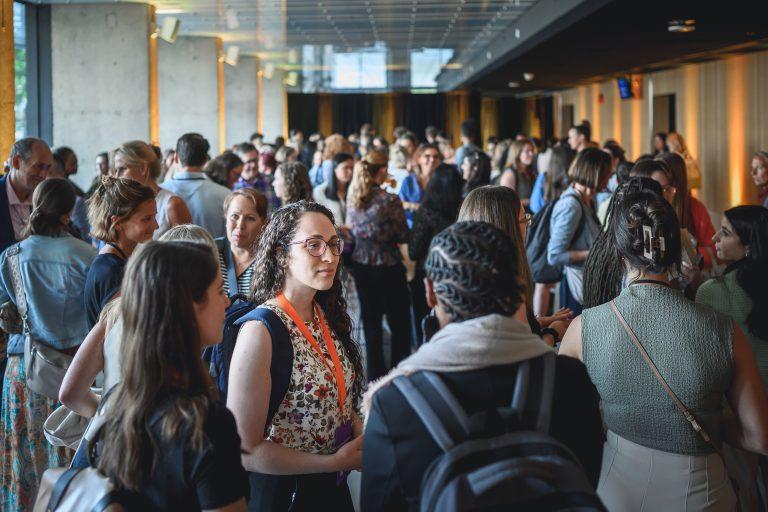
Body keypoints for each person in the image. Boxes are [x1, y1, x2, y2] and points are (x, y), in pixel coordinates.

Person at [361, 221, 604, 511]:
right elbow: (586, 480)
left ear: (430, 292)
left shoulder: (395, 404)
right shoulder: (570, 380)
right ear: (518, 288)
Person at [560, 188, 768, 511]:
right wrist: (708, 420)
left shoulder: (582, 329)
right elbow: (758, 437)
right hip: (703, 493)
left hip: (616, 490)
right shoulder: (725, 331)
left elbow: (565, 423)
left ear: (618, 252)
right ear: (678, 250)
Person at [227, 201, 364, 510]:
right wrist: (332, 462)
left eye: (333, 244)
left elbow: (333, 390)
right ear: (281, 254)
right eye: (313, 246)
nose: (329, 256)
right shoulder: (260, 330)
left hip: (332, 488)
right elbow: (246, 450)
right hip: (287, 495)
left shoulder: (323, 313)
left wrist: (356, 426)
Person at [94, 242, 248, 511]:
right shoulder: (206, 425)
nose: (227, 301)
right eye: (220, 291)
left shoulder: (115, 403)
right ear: (189, 307)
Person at [0, 179, 96, 511]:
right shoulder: (88, 255)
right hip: (76, 369)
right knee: (66, 455)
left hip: (24, 367)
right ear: (70, 211)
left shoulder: (12, 256)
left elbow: (7, 317)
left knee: (24, 456)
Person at [458, 185, 572, 346]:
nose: (528, 225)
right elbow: (523, 352)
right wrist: (554, 332)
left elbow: (501, 331)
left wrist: (538, 322)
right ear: (509, 227)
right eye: (525, 219)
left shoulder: (462, 273)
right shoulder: (505, 283)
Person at [347, 149, 410, 381]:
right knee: (399, 325)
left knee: (372, 326)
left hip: (363, 265)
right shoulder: (390, 200)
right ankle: (400, 374)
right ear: (382, 170)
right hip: (389, 265)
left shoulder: (354, 197)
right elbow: (403, 234)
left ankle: (374, 377)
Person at [697, 205, 768, 389]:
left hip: (740, 401)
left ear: (749, 246)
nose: (715, 237)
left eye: (725, 233)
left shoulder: (712, 291)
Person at [84, 176, 156, 328]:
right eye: (147, 219)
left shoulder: (118, 259)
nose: (156, 225)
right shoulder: (112, 272)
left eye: (154, 217)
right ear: (117, 223)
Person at [547, 147, 611, 314]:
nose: (610, 178)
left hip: (587, 283)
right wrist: (592, 253)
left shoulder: (588, 200)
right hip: (575, 287)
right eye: (608, 174)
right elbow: (554, 255)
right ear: (596, 174)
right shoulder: (571, 205)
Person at [408, 164, 463, 345]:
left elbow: (414, 251)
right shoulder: (463, 210)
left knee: (426, 331)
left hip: (427, 276)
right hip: (458, 277)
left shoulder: (426, 212)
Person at [641, 153, 717, 270]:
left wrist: (688, 252)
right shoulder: (647, 208)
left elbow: (713, 250)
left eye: (665, 187)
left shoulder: (695, 208)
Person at [111, 140, 192, 240]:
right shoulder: (122, 202)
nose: (117, 176)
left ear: (143, 168)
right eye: (116, 170)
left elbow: (189, 250)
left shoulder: (172, 204)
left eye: (123, 169)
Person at [161, 133, 230, 238]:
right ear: (206, 160)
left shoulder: (158, 192)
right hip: (211, 253)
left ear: (175, 158)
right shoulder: (225, 195)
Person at [0, 138, 52, 252]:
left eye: (48, 168)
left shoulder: (45, 198)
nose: (44, 175)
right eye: (38, 166)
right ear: (16, 162)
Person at [217, 189, 267, 297]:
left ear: (264, 223)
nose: (240, 225)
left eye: (250, 218)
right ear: (226, 217)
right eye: (235, 216)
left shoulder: (269, 261)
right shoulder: (211, 253)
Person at [399, 143, 442, 227]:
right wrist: (414, 206)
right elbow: (400, 204)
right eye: (427, 156)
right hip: (412, 226)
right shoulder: (408, 181)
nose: (432, 159)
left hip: (436, 228)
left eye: (436, 156)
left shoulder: (442, 181)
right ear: (419, 159)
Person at [313, 152, 353, 226]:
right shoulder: (320, 191)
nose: (350, 172)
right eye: (346, 168)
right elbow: (319, 219)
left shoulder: (354, 190)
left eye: (352, 168)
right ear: (335, 169)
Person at [499, 138, 536, 207]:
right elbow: (508, 201)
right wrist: (533, 201)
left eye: (532, 150)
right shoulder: (510, 173)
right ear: (517, 153)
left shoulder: (530, 170)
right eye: (527, 151)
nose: (531, 154)